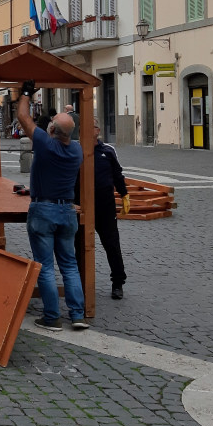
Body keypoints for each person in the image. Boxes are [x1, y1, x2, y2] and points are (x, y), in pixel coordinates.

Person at [17, 80, 88, 331]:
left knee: (45, 265)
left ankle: (52, 317)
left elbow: (23, 117)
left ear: (51, 129)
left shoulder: (46, 145)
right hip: (67, 210)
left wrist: (26, 92)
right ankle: (78, 315)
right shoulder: (77, 151)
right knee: (69, 264)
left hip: (43, 210)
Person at [76, 118, 130, 300]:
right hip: (80, 206)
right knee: (79, 246)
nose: (84, 130)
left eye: (89, 126)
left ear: (97, 130)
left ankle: (118, 282)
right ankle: (80, 283)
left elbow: (117, 174)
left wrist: (124, 195)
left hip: (105, 207)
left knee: (112, 245)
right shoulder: (75, 150)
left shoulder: (108, 151)